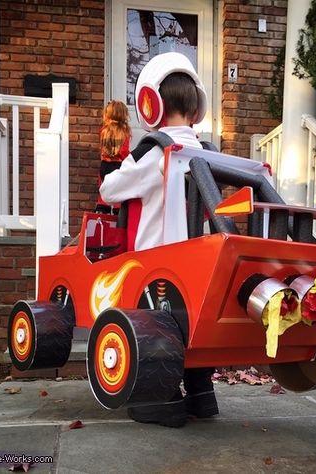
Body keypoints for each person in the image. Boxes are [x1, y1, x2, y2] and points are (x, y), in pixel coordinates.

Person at [100, 52, 218, 427]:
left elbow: (110, 189)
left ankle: (164, 398)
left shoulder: (152, 152)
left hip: (155, 264)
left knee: (156, 323)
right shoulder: (209, 151)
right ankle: (201, 391)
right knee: (192, 322)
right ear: (196, 106)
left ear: (151, 104)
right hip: (199, 262)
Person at [95, 100, 131, 214]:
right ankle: (118, 214)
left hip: (104, 165)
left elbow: (102, 149)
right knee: (119, 193)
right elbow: (124, 151)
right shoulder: (124, 132)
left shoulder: (104, 130)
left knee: (103, 191)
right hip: (118, 166)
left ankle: (101, 212)